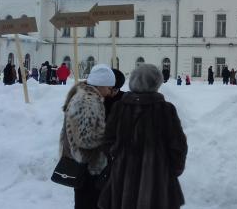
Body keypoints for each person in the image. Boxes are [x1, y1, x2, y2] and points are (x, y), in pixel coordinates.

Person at [98, 64, 187, 209]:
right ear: (156, 83)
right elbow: (178, 146)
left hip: (122, 180)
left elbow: (107, 140)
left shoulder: (120, 107)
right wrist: (171, 170)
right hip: (157, 182)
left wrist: (119, 156)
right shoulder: (165, 110)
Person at [59, 64, 115, 209]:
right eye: (109, 88)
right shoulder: (88, 101)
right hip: (88, 167)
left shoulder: (83, 96)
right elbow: (85, 138)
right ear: (101, 85)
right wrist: (109, 137)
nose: (109, 92)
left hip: (85, 164)